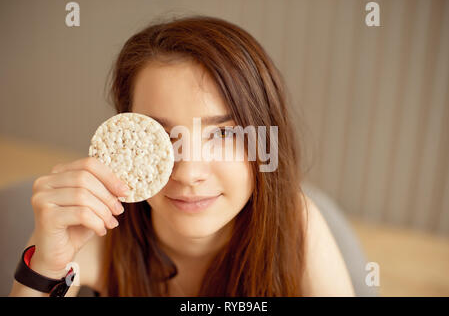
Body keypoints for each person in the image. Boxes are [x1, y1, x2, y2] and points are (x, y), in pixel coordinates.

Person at [9, 15, 354, 297]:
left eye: (224, 134)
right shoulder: (98, 231)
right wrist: (47, 266)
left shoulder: (296, 228)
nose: (188, 173)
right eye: (161, 135)